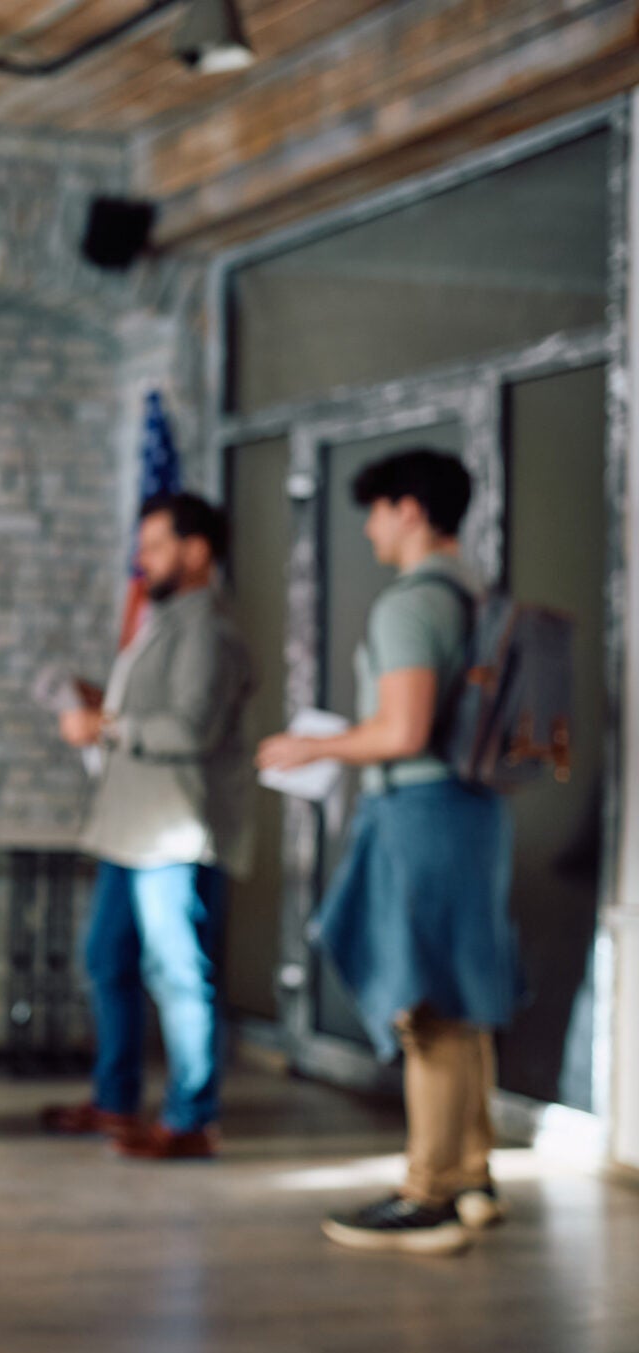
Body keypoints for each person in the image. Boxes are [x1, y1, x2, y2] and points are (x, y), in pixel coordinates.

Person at [259, 449, 519, 1255]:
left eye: (374, 510)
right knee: (463, 996)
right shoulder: (477, 593)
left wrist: (314, 748)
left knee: (424, 1003)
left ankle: (427, 1192)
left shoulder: (412, 605)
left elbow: (403, 730)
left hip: (421, 811)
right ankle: (472, 1174)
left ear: (408, 509)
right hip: (475, 812)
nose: (369, 527)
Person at [44, 492, 253, 1159]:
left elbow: (191, 728)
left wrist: (107, 724)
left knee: (179, 973)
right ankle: (114, 1098)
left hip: (172, 832)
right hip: (128, 829)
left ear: (197, 550)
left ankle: (192, 1116)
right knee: (107, 961)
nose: (144, 560)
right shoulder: (165, 619)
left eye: (157, 545)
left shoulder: (209, 627)